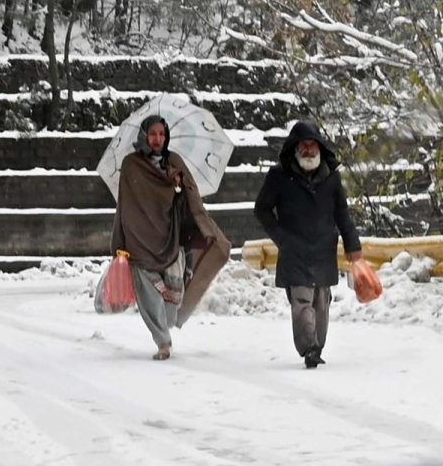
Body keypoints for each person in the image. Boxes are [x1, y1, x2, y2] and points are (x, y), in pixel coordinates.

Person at [110, 114, 230, 360]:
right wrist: (120, 241)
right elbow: (125, 204)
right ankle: (162, 341)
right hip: (140, 236)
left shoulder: (173, 161)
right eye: (153, 134)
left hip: (171, 233)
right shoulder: (132, 164)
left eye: (162, 134)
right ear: (144, 135)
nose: (157, 139)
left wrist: (177, 183)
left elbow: (189, 196)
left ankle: (168, 324)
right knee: (149, 293)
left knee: (174, 289)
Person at [253, 121, 362, 369]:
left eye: (313, 145)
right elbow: (262, 210)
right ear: (295, 147)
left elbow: (343, 214)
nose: (309, 150)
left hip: (324, 249)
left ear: (320, 148)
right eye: (304, 145)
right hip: (294, 250)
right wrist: (281, 237)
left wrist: (352, 245)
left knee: (321, 302)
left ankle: (317, 346)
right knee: (301, 300)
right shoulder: (279, 176)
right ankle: (309, 348)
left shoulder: (332, 179)